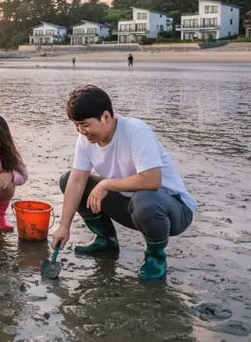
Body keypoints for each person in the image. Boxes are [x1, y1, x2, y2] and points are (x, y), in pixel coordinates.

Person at [51, 85, 195, 280]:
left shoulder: (136, 131)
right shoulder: (85, 139)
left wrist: (106, 184)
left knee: (144, 199)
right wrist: (64, 226)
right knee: (67, 179)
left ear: (106, 117)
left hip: (172, 210)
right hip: (130, 205)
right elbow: (77, 180)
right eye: (76, 125)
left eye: (84, 124)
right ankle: (106, 242)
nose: (80, 130)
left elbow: (152, 180)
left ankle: (155, 258)